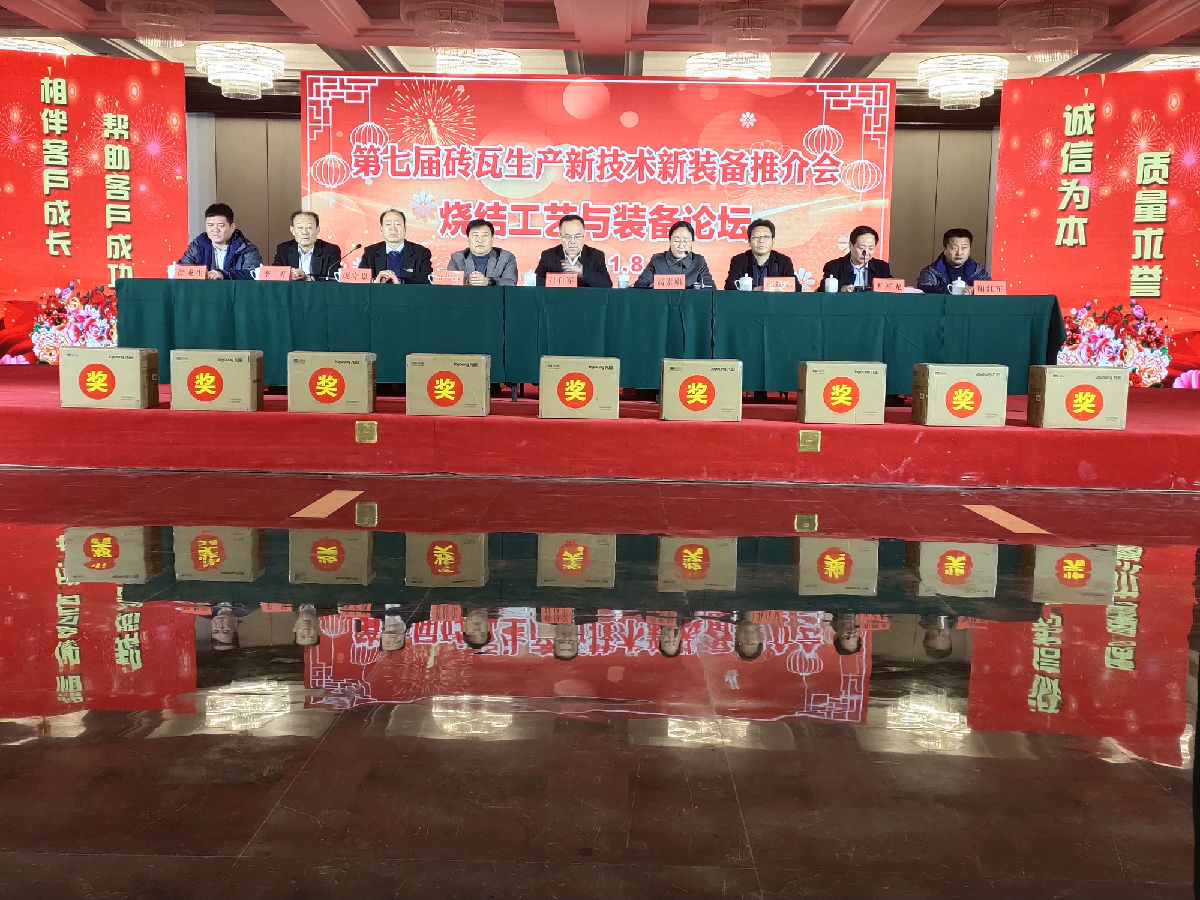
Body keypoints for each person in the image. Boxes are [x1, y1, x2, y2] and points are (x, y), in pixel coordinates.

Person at [178, 202, 261, 280]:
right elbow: (182, 270)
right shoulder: (197, 246)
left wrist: (224, 274)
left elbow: (253, 274)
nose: (215, 230)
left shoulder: (246, 249)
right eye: (210, 225)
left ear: (232, 227)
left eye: (220, 225)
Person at [534, 214, 613, 287]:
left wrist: (583, 273)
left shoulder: (596, 256)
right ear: (560, 236)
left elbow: (607, 284)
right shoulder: (548, 256)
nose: (572, 241)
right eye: (567, 237)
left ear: (584, 235)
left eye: (577, 236)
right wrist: (563, 279)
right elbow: (536, 282)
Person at [358, 209, 433, 284]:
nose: (393, 228)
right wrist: (375, 281)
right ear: (381, 229)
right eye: (388, 224)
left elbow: (426, 281)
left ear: (405, 229)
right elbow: (359, 281)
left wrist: (400, 282)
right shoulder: (370, 252)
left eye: (398, 224)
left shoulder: (421, 253)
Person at [632, 220, 713, 289]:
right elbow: (640, 285)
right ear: (670, 241)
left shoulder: (699, 261)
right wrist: (652, 286)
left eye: (685, 241)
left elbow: (710, 289)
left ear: (692, 242)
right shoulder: (657, 260)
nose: (681, 246)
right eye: (676, 241)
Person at [723, 218, 797, 290]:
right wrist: (757, 289)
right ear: (749, 242)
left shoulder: (783, 261)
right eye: (756, 237)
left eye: (766, 237)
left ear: (773, 240)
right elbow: (730, 286)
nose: (761, 240)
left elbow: (796, 287)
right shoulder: (739, 260)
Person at [273, 210, 343, 281]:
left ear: (317, 229)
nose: (304, 232)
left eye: (309, 227)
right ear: (292, 230)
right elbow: (275, 276)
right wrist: (290, 275)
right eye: (300, 227)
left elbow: (334, 278)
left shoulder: (331, 250)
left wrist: (308, 278)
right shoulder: (283, 250)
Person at [916, 228, 991, 294]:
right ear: (945, 249)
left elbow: (991, 291)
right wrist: (954, 290)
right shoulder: (931, 272)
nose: (959, 253)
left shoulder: (978, 272)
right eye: (954, 248)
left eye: (964, 248)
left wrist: (975, 290)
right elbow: (924, 291)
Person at [818, 225, 891, 292]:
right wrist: (842, 289)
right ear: (850, 245)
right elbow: (822, 291)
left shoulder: (882, 268)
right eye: (861, 248)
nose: (866, 253)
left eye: (871, 248)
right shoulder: (834, 266)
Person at [447, 218, 518, 286]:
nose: (480, 240)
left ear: (492, 239)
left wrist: (488, 281)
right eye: (475, 235)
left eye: (485, 235)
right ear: (468, 239)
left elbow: (511, 282)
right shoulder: (457, 258)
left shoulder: (506, 258)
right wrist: (468, 281)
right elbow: (449, 283)